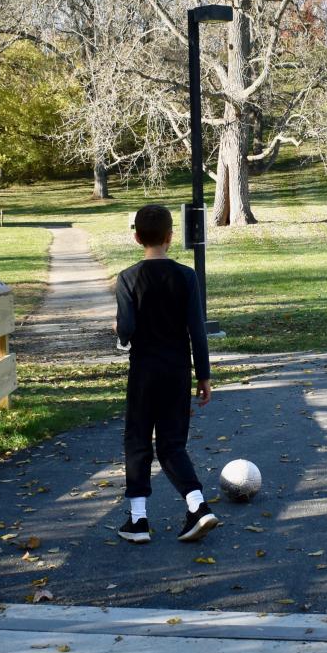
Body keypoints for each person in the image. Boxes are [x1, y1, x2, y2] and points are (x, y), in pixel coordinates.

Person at [112, 203, 220, 544]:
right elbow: (197, 331)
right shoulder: (186, 276)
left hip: (144, 372)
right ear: (170, 237)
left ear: (136, 237)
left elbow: (126, 330)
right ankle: (198, 507)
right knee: (173, 445)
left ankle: (138, 520)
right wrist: (203, 375)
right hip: (177, 371)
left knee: (138, 441)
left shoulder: (128, 278)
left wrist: (119, 330)